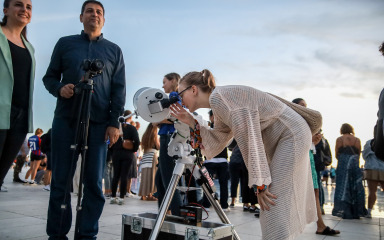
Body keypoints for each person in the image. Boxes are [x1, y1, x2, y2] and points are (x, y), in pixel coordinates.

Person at [170, 69, 317, 240]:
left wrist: (260, 183)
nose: (180, 99)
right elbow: (218, 139)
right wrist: (191, 121)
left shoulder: (219, 98)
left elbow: (248, 137)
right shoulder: (219, 102)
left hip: (292, 134)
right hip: (289, 134)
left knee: (272, 202)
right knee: (276, 202)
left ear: (193, 90)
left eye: (180, 93)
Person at [42, 1, 126, 238]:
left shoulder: (114, 51)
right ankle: (57, 234)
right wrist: (60, 89)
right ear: (81, 17)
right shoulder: (65, 43)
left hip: (99, 125)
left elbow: (118, 90)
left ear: (104, 20)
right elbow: (49, 77)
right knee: (60, 182)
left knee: (94, 185)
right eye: (90, 11)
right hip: (66, 120)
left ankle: (87, 234)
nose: (94, 15)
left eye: (99, 12)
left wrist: (114, 122)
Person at [0, 0, 35, 193]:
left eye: (29, 7)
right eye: (18, 5)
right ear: (5, 10)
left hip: (20, 119)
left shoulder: (29, 48)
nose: (24, 9)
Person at [155, 72, 182, 215]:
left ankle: (176, 212)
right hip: (169, 136)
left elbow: (174, 117)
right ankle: (165, 211)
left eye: (164, 82)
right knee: (160, 179)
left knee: (168, 179)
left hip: (168, 137)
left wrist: (158, 120)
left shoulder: (173, 96)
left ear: (173, 81)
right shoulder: (176, 96)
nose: (162, 85)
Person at [332, 123, 365, 219]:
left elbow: (336, 153)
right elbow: (358, 153)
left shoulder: (340, 139)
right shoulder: (357, 140)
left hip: (343, 162)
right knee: (356, 186)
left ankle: (344, 210)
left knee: (343, 186)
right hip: (354, 163)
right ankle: (357, 210)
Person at [201, 110, 230, 211]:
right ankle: (224, 205)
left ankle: (206, 204)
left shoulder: (207, 128)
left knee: (208, 183)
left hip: (210, 160)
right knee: (224, 184)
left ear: (211, 117)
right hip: (222, 160)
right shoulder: (224, 127)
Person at [110, 110, 140, 205]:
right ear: (130, 117)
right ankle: (121, 197)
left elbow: (110, 142)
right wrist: (133, 149)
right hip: (127, 154)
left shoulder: (116, 128)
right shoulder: (132, 128)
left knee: (116, 175)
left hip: (116, 152)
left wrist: (113, 151)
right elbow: (137, 141)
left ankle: (113, 196)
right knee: (124, 176)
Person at [362, 139, 384, 218]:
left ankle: (369, 211)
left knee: (372, 191)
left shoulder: (369, 142)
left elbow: (364, 155)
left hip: (372, 167)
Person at [138, 123, 159, 201]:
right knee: (151, 176)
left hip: (145, 155)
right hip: (152, 156)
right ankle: (150, 195)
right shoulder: (154, 135)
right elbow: (158, 146)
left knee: (145, 176)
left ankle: (143, 195)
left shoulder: (144, 136)